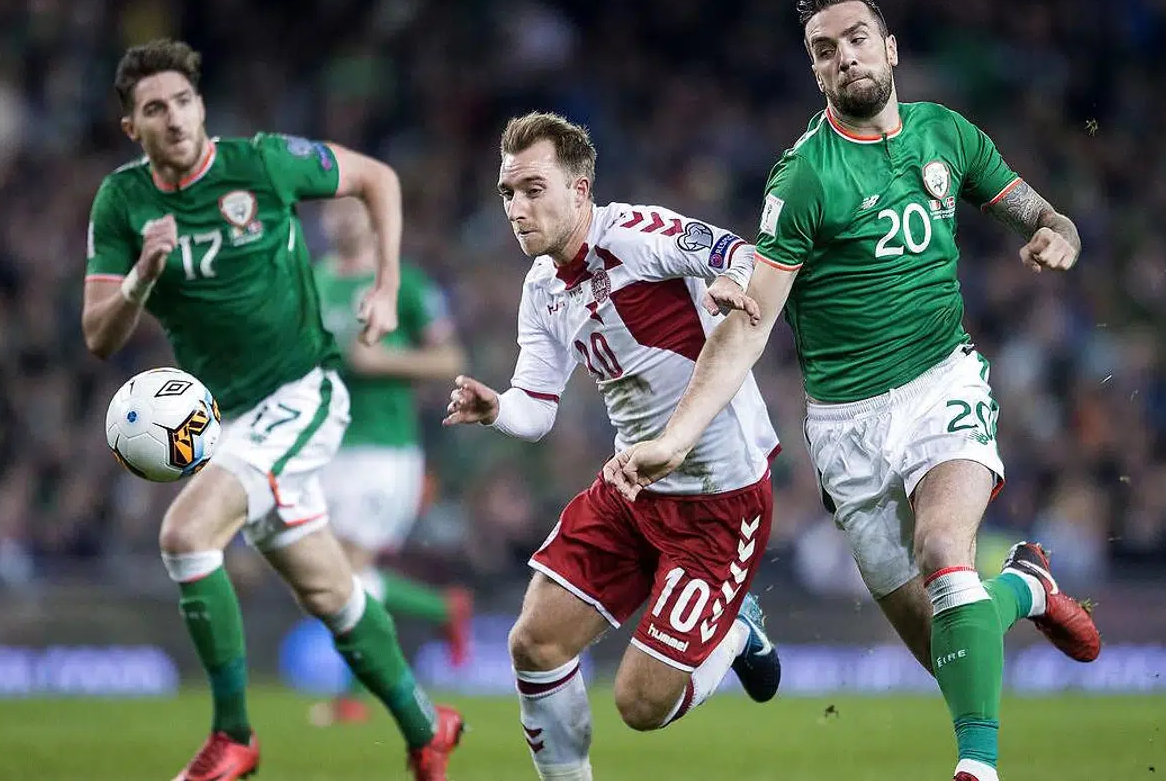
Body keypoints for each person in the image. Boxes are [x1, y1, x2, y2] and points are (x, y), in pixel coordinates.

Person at [603, 0, 1100, 781]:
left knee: (945, 549)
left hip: (942, 383)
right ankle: (1023, 590)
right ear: (816, 72)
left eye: (857, 39)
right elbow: (750, 324)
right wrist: (675, 438)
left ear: (890, 46)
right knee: (950, 651)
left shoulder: (947, 135)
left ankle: (978, 769)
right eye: (824, 51)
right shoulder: (803, 178)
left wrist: (1060, 233)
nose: (846, 58)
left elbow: (1041, 214)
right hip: (846, 425)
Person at [81, 39, 462, 781]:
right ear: (133, 127)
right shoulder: (122, 204)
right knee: (331, 590)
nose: (174, 118)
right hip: (228, 415)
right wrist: (140, 278)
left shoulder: (260, 163)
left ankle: (234, 737)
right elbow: (99, 334)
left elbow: (376, 178)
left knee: (186, 534)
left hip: (302, 392)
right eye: (154, 109)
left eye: (183, 101)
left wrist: (385, 286)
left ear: (201, 106)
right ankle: (427, 725)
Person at [443, 112, 781, 781]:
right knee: (533, 644)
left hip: (719, 499)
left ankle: (739, 628)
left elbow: (743, 254)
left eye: (534, 188)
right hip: (631, 486)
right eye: (508, 193)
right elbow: (535, 409)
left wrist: (729, 281)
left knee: (640, 703)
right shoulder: (540, 289)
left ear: (580, 189)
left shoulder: (639, 235)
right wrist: (496, 409)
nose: (518, 208)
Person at [311, 197, 474, 726]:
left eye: (352, 208)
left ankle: (352, 698)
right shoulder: (312, 281)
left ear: (372, 218)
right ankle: (443, 609)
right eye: (332, 210)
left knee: (347, 571)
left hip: (385, 450)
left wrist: (384, 361)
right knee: (325, 576)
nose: (342, 218)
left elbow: (451, 359)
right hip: (324, 446)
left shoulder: (403, 282)